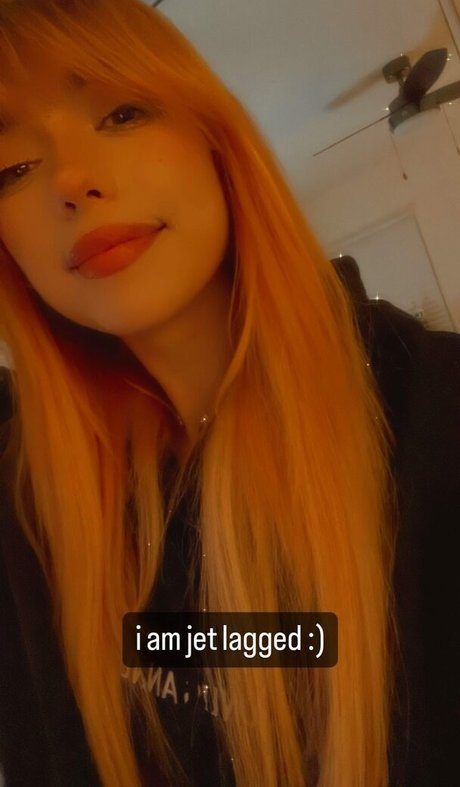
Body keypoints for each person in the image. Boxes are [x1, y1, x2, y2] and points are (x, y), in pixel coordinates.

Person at [0, 1, 458, 786]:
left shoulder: (437, 419)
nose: (70, 180)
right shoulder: (30, 508)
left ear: (214, 138)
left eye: (120, 112)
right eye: (9, 167)